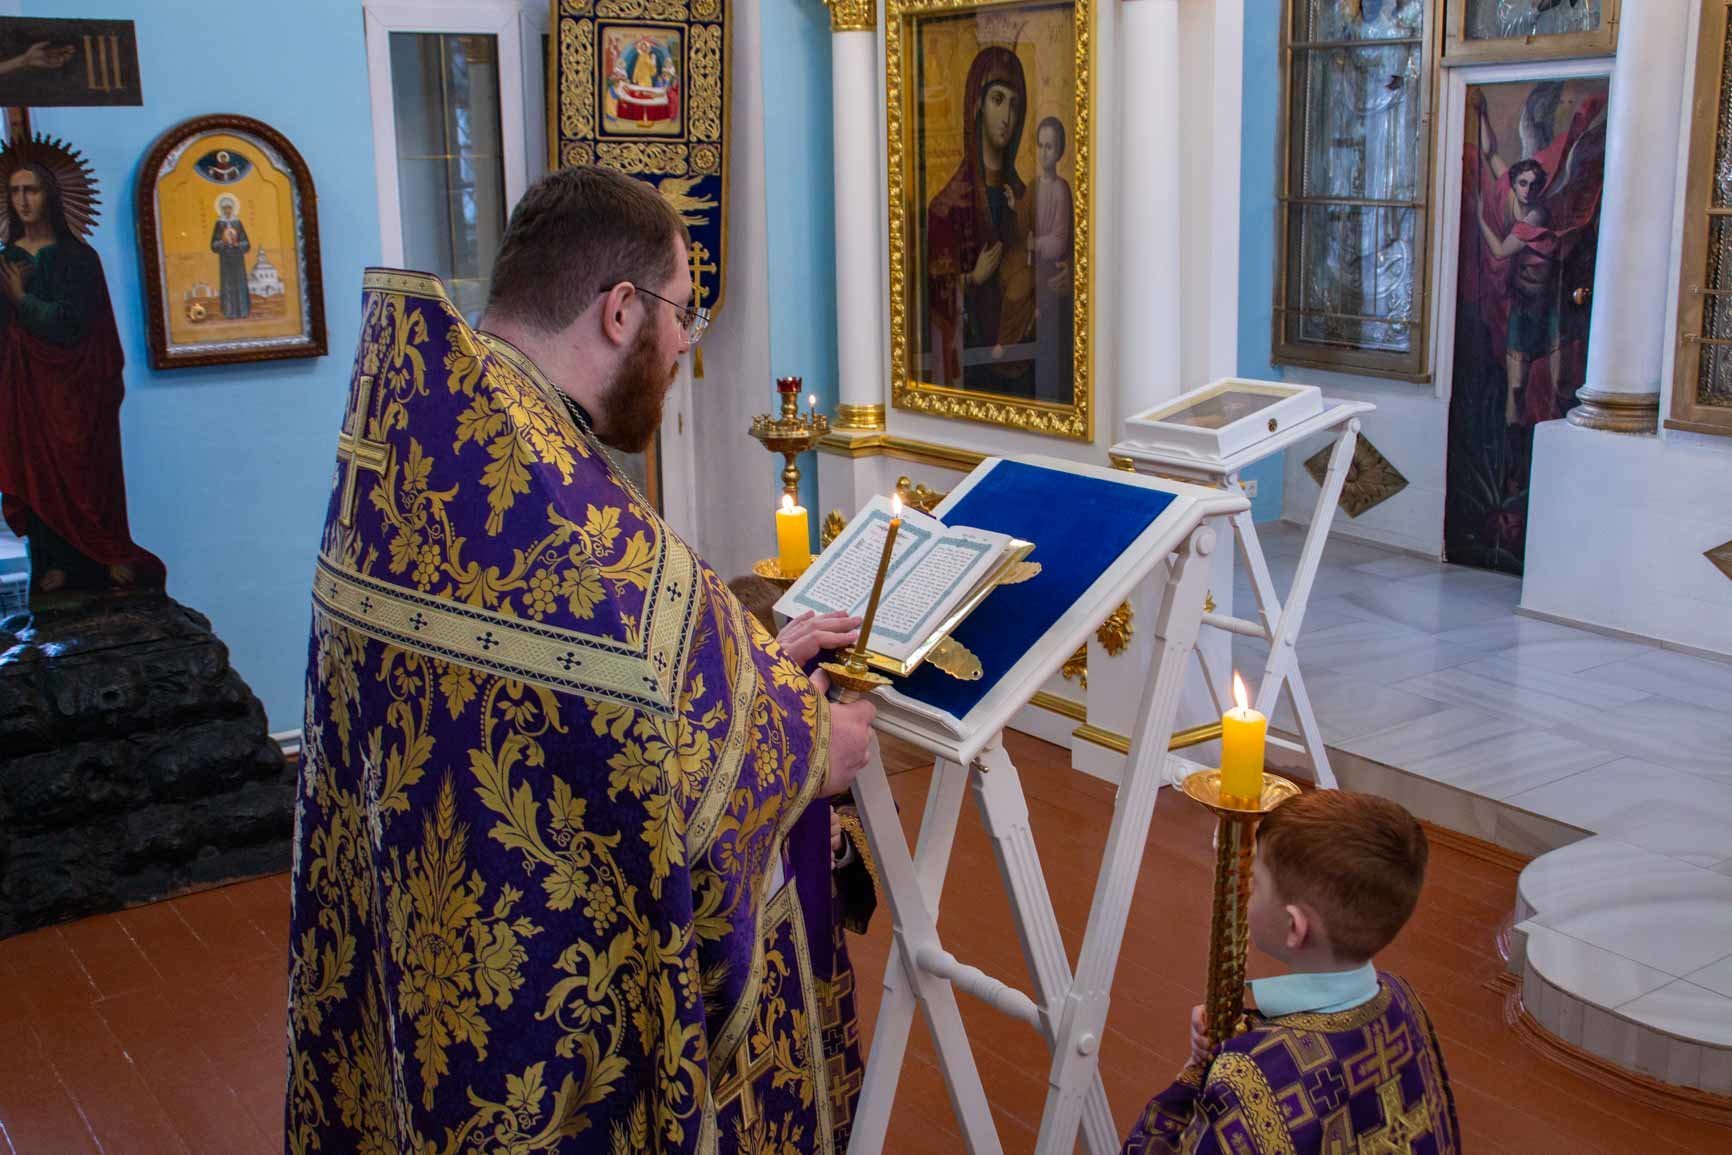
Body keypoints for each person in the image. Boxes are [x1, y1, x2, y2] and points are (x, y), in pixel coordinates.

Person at [287, 165, 879, 1154]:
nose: (684, 344)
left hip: (423, 977)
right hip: (543, 1030)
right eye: (683, 313)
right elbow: (645, 706)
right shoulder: (568, 515)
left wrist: (753, 667)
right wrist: (816, 744)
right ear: (620, 310)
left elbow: (586, 701)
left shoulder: (432, 441)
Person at [1121, 790, 1460, 1155]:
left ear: (1293, 927)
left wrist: (1197, 1071)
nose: (1245, 891)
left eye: (1256, 882)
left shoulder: (1250, 1075)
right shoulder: (1402, 998)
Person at [0, 155, 163, 596]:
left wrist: (21, 299)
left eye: (31, 190)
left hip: (79, 384)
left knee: (90, 467)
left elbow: (72, 323)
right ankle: (54, 563)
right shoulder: (6, 260)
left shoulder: (78, 258)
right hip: (28, 388)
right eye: (14, 192)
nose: (23, 201)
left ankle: (105, 552)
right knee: (38, 469)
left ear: (50, 196)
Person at [926, 45, 1037, 397]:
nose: (1007, 116)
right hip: (974, 376)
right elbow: (931, 297)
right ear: (977, 105)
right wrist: (971, 279)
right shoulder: (947, 208)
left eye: (1015, 105)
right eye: (998, 100)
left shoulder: (1024, 197)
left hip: (1029, 370)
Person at [1029, 115, 1074, 404]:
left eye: (1050, 147)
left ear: (1059, 152)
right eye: (1040, 145)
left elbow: (1059, 240)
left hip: (1051, 274)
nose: (1044, 152)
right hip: (1033, 270)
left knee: (1049, 342)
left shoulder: (1060, 189)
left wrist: (1036, 245)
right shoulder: (1033, 186)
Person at [210, 195, 251, 319]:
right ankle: (229, 313)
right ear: (221, 209)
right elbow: (213, 245)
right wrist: (222, 242)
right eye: (225, 208)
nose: (227, 210)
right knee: (228, 284)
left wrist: (238, 244)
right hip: (225, 258)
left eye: (229, 208)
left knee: (240, 283)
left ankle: (243, 312)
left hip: (238, 258)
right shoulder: (219, 224)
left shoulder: (238, 223)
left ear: (232, 208)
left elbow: (246, 243)